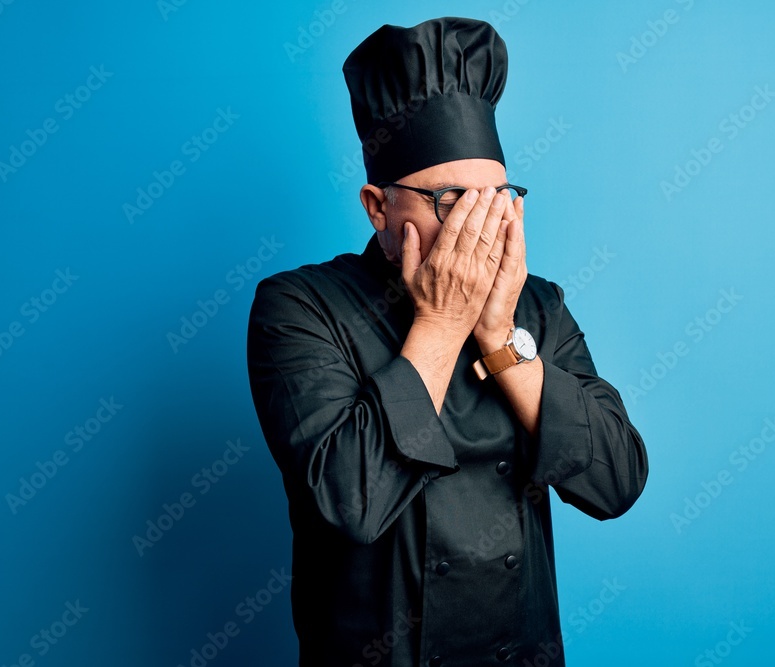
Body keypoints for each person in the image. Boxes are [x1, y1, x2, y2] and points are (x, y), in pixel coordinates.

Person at [247, 17, 648, 667]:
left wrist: (497, 335)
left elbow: (616, 479)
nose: (477, 228)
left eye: (495, 200)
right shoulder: (302, 307)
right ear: (378, 207)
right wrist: (439, 323)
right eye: (449, 200)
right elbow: (353, 500)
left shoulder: (537, 306)